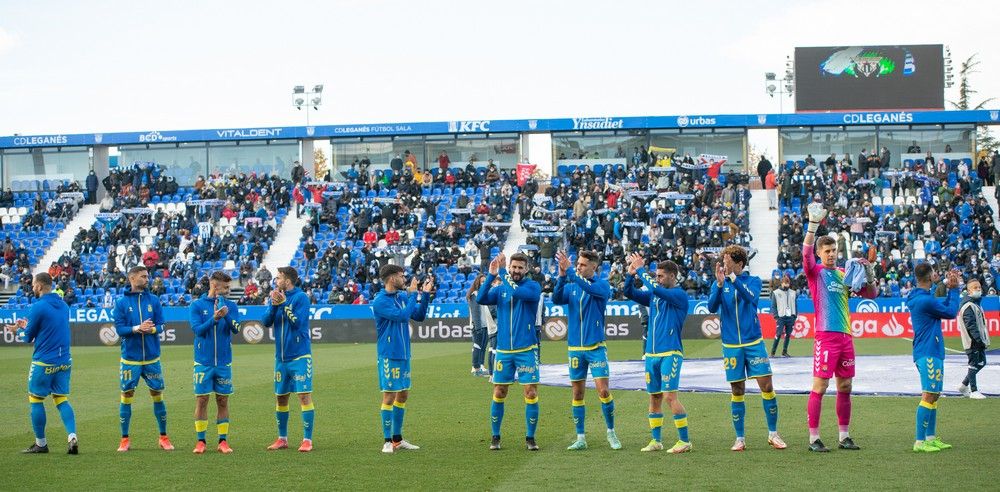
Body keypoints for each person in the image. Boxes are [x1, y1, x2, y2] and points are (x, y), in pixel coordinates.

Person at [802, 202, 878, 452]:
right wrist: (813, 226)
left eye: (834, 250)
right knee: (820, 386)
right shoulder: (816, 273)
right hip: (825, 337)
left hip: (846, 337)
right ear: (820, 254)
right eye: (827, 251)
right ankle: (814, 438)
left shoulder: (846, 273)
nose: (832, 254)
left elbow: (871, 294)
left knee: (845, 386)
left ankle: (844, 436)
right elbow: (805, 255)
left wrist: (869, 271)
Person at [707, 245, 786, 451]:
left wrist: (733, 279)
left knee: (766, 386)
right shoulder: (721, 282)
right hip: (731, 345)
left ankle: (773, 434)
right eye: (723, 260)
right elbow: (711, 307)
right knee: (737, 389)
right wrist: (718, 284)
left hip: (753, 342)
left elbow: (751, 298)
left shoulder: (754, 281)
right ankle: (740, 438)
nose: (724, 264)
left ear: (739, 263)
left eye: (727, 261)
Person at [551, 250, 621, 451]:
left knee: (604, 390)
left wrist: (571, 272)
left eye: (582, 264)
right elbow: (556, 298)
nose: (579, 267)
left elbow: (588, 287)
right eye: (578, 264)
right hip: (575, 348)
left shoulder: (602, 286)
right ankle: (581, 437)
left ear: (594, 267)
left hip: (595, 347)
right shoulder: (572, 286)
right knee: (577, 393)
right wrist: (562, 276)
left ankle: (611, 432)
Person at [623, 254, 691, 454]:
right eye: (657, 276)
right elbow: (628, 292)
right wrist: (630, 274)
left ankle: (684, 441)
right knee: (654, 398)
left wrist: (642, 270)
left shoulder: (679, 295)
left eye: (661, 276)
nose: (658, 279)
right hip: (651, 354)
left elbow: (654, 287)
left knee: (670, 397)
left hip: (670, 352)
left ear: (672, 276)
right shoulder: (654, 296)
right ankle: (656, 440)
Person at [4, 273, 78, 454]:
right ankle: (72, 436)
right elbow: (49, 327)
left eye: (34, 285)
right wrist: (26, 325)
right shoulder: (63, 304)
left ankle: (41, 444)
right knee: (61, 399)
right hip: (64, 361)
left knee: (36, 399)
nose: (33, 288)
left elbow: (28, 337)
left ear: (39, 286)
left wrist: (18, 330)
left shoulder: (38, 306)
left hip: (44, 361)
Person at [476, 252, 542, 451]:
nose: (516, 271)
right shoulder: (501, 288)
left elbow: (518, 293)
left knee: (530, 392)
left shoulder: (533, 287)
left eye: (520, 268)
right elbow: (480, 298)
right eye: (513, 267)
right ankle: (495, 436)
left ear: (526, 269)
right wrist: (490, 275)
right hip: (504, 351)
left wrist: (502, 273)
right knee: (499, 391)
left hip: (526, 350)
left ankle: (530, 438)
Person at [372, 265, 433, 453]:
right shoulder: (380, 301)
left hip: (404, 353)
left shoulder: (401, 297)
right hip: (389, 354)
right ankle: (387, 441)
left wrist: (425, 295)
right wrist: (414, 294)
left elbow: (419, 316)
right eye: (401, 276)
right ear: (391, 279)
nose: (404, 278)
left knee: (403, 394)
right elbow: (402, 317)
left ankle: (398, 439)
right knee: (389, 395)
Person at [114, 265, 172, 452]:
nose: (147, 279)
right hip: (130, 359)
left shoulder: (153, 300)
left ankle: (163, 437)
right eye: (143, 276)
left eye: (147, 276)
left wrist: (151, 329)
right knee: (127, 397)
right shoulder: (121, 303)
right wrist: (137, 328)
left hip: (152, 359)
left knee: (157, 396)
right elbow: (120, 329)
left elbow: (162, 325)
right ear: (132, 278)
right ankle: (124, 439)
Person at [905, 264, 960, 453]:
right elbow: (951, 311)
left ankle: (930, 437)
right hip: (928, 351)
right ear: (929, 277)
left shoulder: (920, 297)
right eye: (934, 274)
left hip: (930, 350)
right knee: (928, 394)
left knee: (934, 395)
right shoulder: (925, 301)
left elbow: (937, 301)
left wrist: (945, 284)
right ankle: (920, 442)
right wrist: (954, 289)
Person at [262, 266, 315, 452]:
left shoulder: (301, 298)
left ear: (287, 280)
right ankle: (282, 438)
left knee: (303, 396)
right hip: (281, 358)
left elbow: (298, 323)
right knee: (281, 398)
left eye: (278, 278)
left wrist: (284, 304)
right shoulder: (276, 297)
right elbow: (266, 322)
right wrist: (274, 305)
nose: (276, 281)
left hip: (300, 356)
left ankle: (307, 440)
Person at [189, 271, 241, 454]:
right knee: (202, 400)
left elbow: (236, 328)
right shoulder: (197, 305)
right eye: (225, 287)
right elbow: (198, 331)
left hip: (224, 363)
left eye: (229, 287)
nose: (228, 290)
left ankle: (223, 441)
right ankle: (201, 441)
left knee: (222, 400)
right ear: (213, 284)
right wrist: (215, 318)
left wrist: (226, 315)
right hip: (203, 362)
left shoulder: (231, 306)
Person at [957, 278, 989, 399]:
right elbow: (971, 325)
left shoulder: (976, 304)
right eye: (975, 288)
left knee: (982, 362)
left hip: (977, 340)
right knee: (974, 364)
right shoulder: (968, 306)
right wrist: (978, 339)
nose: (978, 289)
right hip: (972, 341)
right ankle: (974, 390)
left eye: (979, 287)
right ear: (969, 291)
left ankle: (963, 385)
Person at [769, 275, 797, 357]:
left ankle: (784, 352)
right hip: (781, 317)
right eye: (785, 283)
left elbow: (795, 305)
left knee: (788, 334)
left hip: (790, 317)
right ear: (782, 283)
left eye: (788, 283)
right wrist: (776, 317)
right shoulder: (776, 293)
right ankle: (772, 353)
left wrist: (794, 316)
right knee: (778, 334)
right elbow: (773, 306)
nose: (787, 285)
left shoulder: (793, 293)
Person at [467, 274, 489, 376]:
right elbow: (475, 312)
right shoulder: (474, 295)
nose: (484, 283)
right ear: (478, 283)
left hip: (486, 324)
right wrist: (478, 326)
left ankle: (481, 365)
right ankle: (475, 367)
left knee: (483, 346)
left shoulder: (485, 294)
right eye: (482, 281)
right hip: (477, 325)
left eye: (485, 281)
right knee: (477, 346)